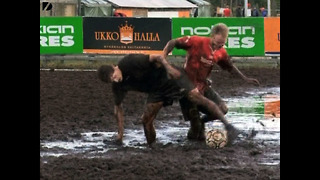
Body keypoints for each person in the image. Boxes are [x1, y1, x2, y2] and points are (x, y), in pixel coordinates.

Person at [97, 53, 244, 146]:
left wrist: (169, 68)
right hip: (158, 91)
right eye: (112, 81)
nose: (115, 80)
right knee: (146, 120)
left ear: (114, 67)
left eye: (114, 76)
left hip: (170, 77)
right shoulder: (118, 86)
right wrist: (120, 135)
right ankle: (152, 148)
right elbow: (118, 109)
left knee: (201, 99)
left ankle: (228, 127)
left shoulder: (129, 62)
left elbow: (158, 57)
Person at [162, 23, 260, 144]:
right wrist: (164, 58)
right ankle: (191, 144)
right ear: (212, 36)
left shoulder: (221, 52)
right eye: (216, 43)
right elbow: (173, 42)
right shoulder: (196, 41)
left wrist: (245, 78)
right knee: (196, 132)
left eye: (221, 44)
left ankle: (202, 121)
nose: (218, 47)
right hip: (187, 86)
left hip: (203, 86)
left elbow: (230, 67)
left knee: (223, 108)